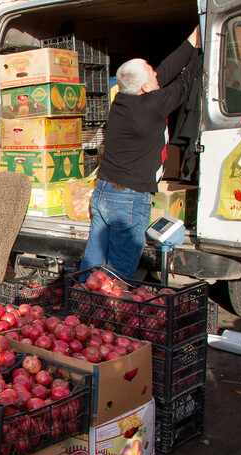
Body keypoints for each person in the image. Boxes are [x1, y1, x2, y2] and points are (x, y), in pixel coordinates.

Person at [79, 27, 202, 279]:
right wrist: (201, 56)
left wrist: (193, 39)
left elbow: (164, 73)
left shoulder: (122, 100)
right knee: (120, 271)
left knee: (92, 262)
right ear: (146, 87)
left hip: (104, 192)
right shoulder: (151, 106)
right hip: (128, 199)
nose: (157, 73)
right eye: (151, 72)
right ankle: (110, 314)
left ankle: (82, 307)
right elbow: (183, 82)